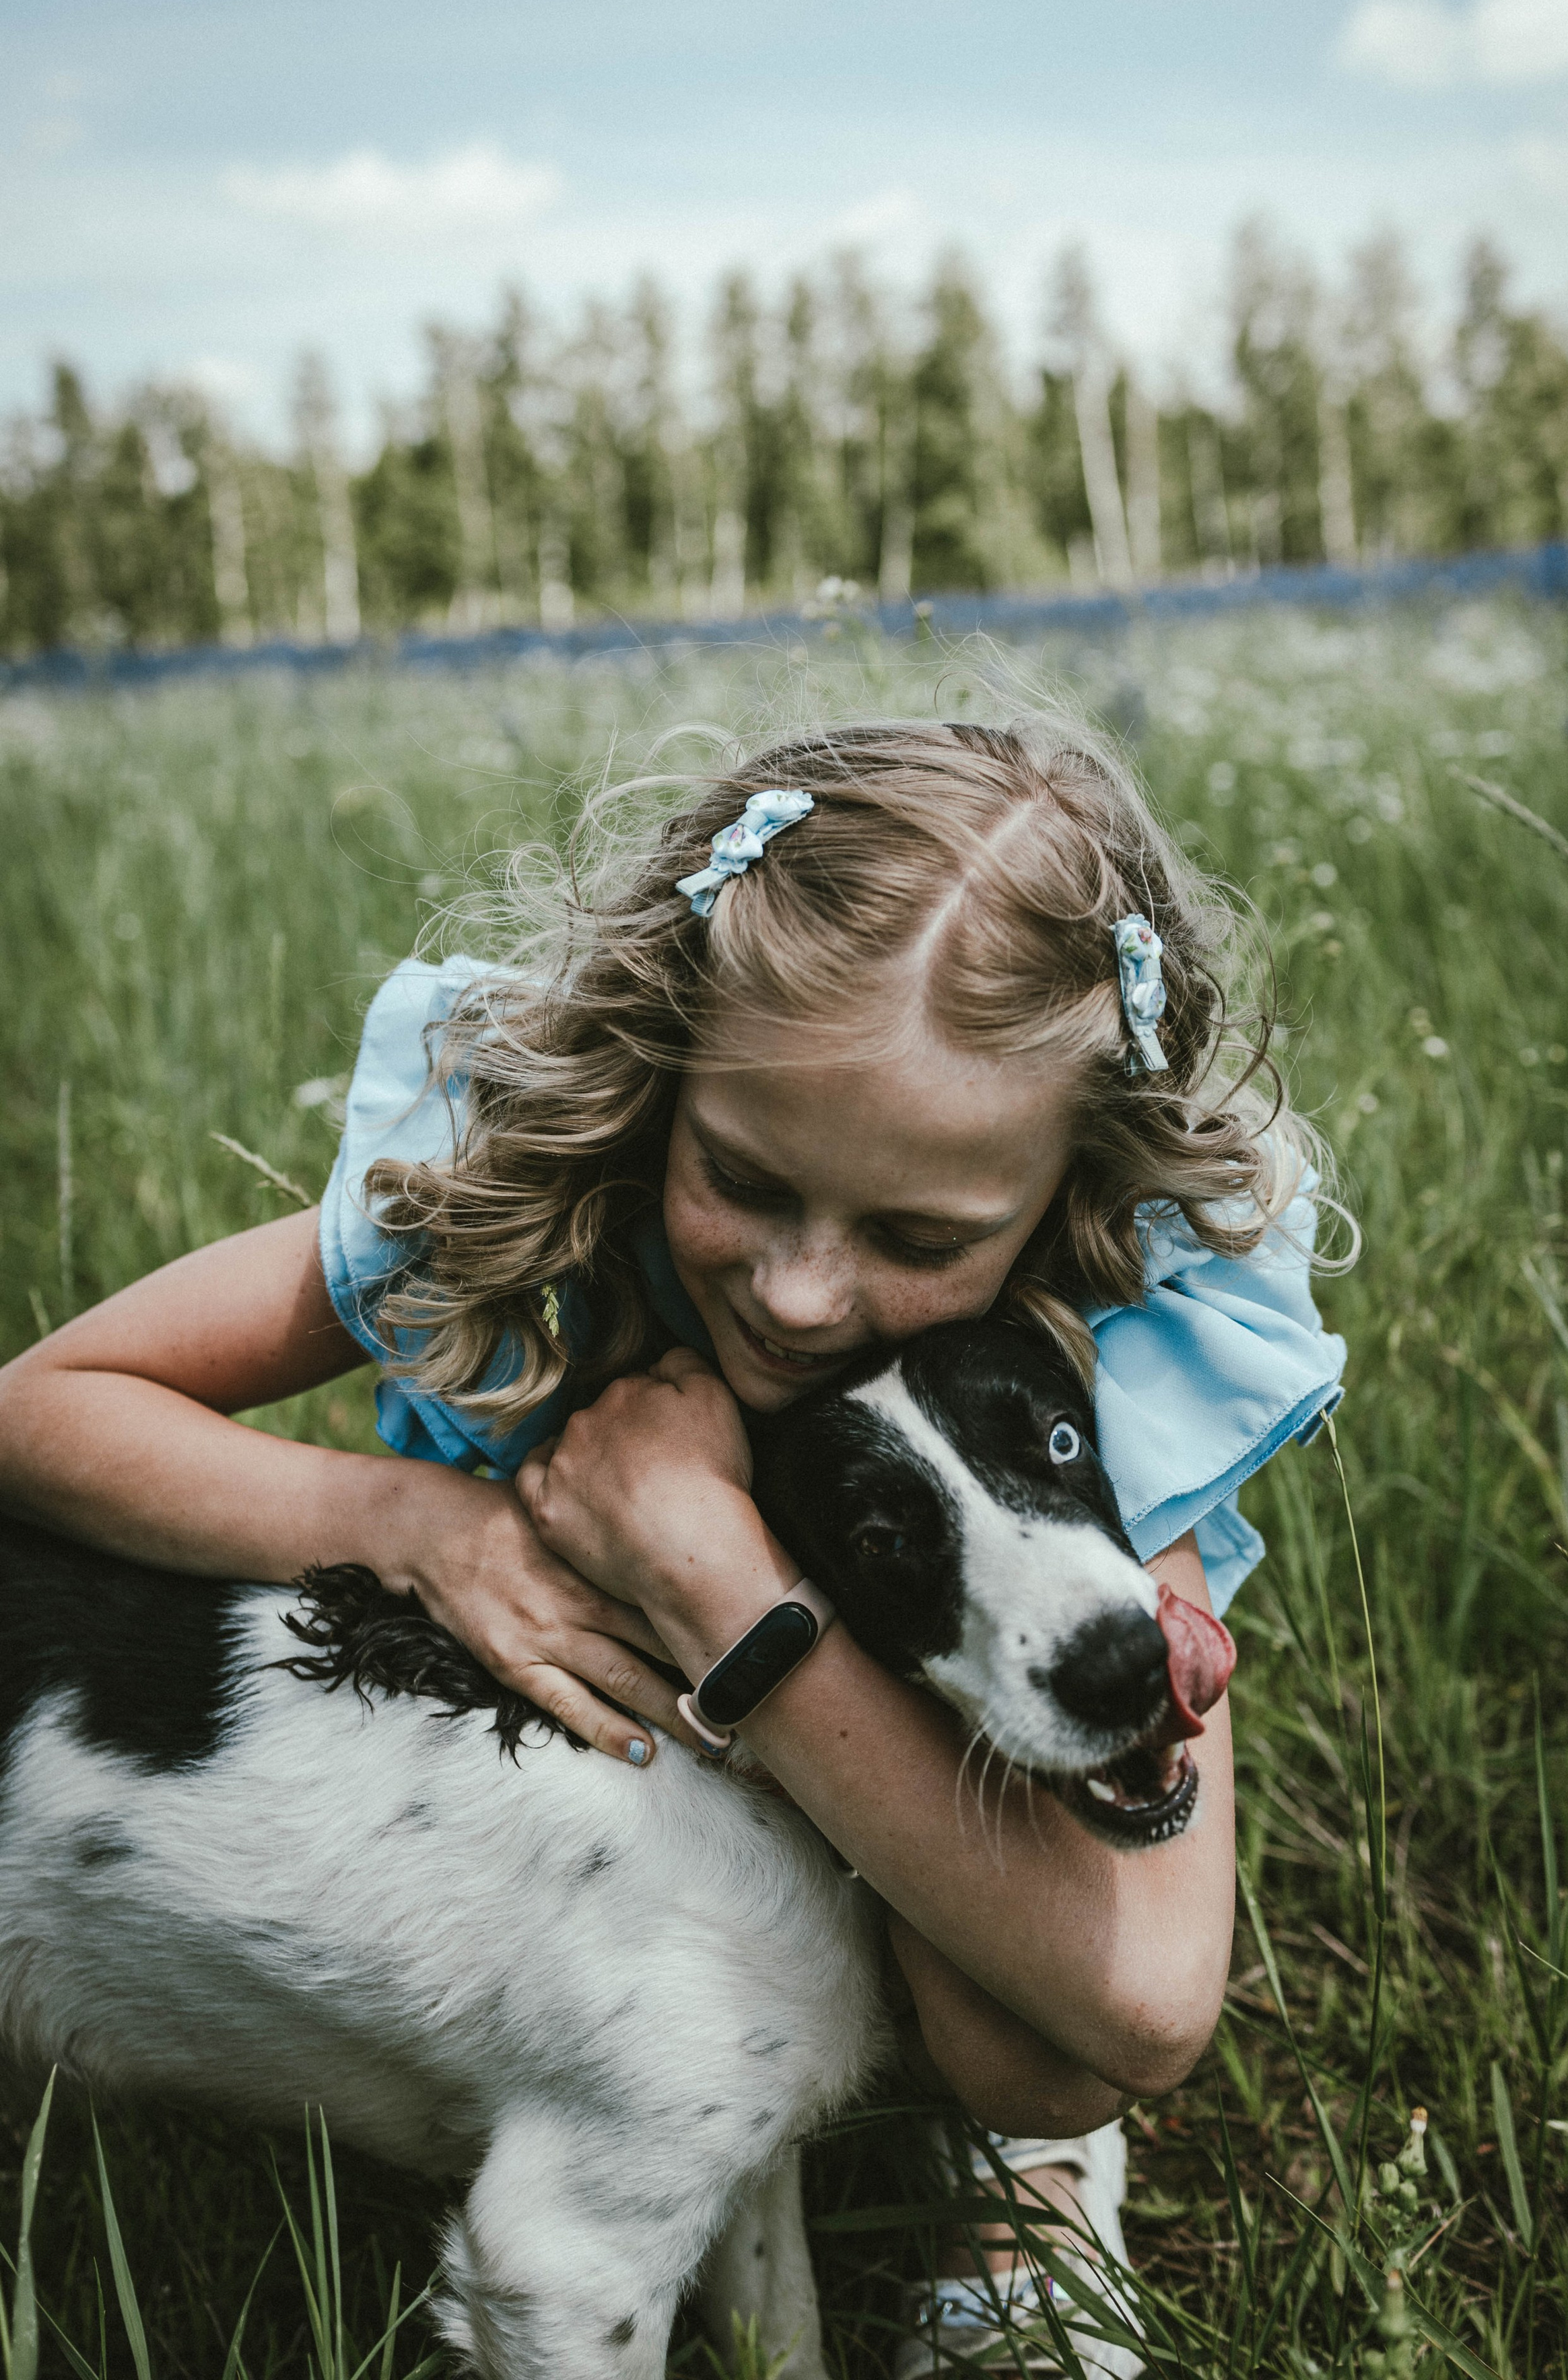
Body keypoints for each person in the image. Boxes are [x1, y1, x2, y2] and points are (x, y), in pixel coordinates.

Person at [0, 711, 1347, 2376]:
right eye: (742, 1177)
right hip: (651, 1835)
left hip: (939, 1772)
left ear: (1063, 1192)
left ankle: (1033, 2202)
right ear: (667, 1084)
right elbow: (38, 1413)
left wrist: (713, 1573)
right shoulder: (539, 1175)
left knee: (1040, 2073)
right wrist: (412, 1518)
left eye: (917, 1236)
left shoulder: (1112, 1335)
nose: (793, 1293)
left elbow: (1127, 2011)